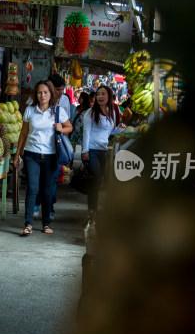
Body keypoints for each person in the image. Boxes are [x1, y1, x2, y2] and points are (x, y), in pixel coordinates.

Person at [13, 80, 73, 236]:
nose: (42, 95)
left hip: (51, 156)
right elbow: (24, 133)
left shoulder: (58, 111)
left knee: (47, 191)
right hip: (31, 154)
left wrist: (61, 128)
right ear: (36, 94)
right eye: (40, 92)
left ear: (51, 94)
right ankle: (28, 224)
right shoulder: (30, 110)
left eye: (45, 92)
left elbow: (69, 127)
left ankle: (46, 223)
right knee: (32, 189)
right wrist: (18, 153)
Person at [81, 85, 126, 224]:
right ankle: (92, 212)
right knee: (95, 179)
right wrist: (85, 151)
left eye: (103, 94)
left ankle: (97, 211)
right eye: (98, 94)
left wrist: (119, 129)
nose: (100, 97)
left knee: (100, 180)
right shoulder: (90, 112)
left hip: (103, 151)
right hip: (92, 150)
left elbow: (109, 132)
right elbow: (86, 132)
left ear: (109, 96)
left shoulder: (111, 112)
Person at [34, 73, 73, 219]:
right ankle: (36, 204)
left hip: (56, 148)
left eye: (62, 90)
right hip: (38, 148)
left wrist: (62, 132)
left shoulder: (64, 101)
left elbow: (68, 126)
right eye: (57, 90)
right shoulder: (36, 101)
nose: (60, 93)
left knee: (52, 180)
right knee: (39, 180)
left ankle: (49, 207)